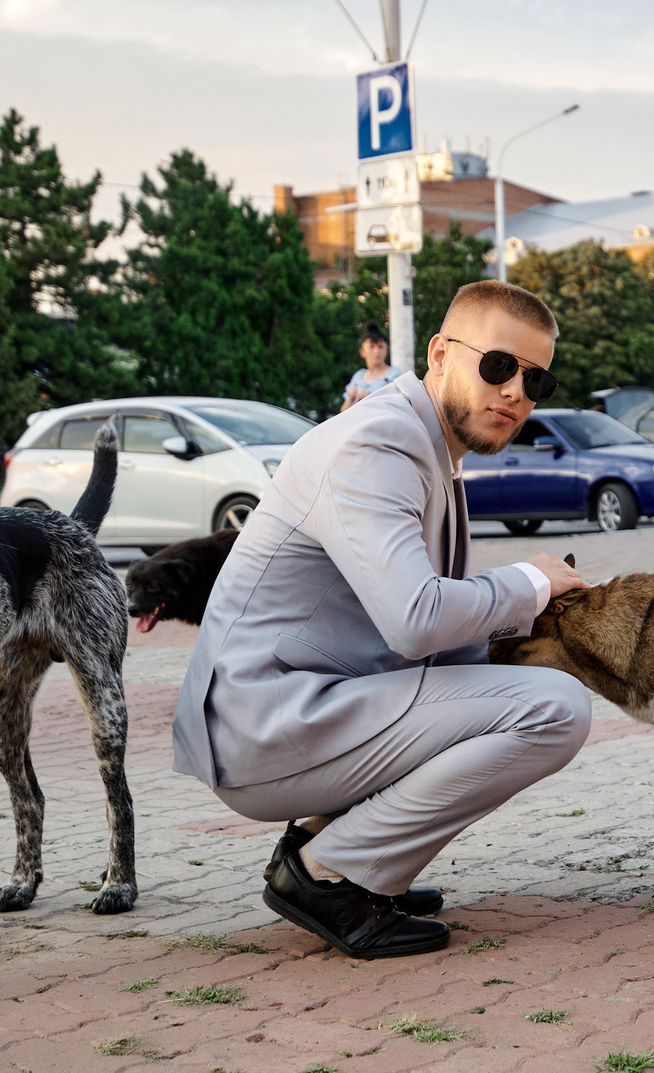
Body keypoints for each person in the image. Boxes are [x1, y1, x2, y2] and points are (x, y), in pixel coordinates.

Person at [172, 281, 592, 960]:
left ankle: (329, 845)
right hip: (263, 724)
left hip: (305, 705)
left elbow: (441, 641)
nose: (515, 390)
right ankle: (331, 872)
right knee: (555, 710)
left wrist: (539, 620)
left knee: (497, 679)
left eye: (534, 377)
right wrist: (532, 581)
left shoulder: (425, 445)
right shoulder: (379, 444)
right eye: (497, 365)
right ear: (440, 353)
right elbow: (417, 619)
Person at [340, 324, 407, 413]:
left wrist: (368, 397)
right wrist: (351, 397)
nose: (377, 351)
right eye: (371, 347)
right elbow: (343, 411)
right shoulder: (358, 376)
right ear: (362, 352)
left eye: (380, 347)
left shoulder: (395, 373)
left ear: (386, 350)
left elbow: (400, 403)